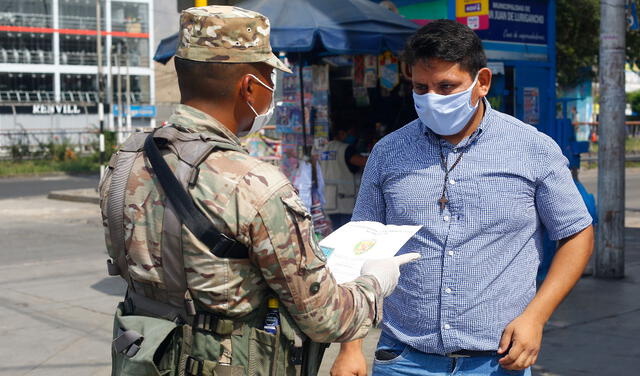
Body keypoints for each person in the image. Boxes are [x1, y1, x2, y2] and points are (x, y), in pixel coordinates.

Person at [99, 6, 419, 375]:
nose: (271, 89)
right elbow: (327, 318)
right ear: (249, 86)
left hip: (143, 358)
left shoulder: (125, 160)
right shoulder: (254, 184)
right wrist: (375, 283)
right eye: (270, 78)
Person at [331, 19, 594, 376]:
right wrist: (350, 347)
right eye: (421, 87)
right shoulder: (388, 153)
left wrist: (537, 316)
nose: (431, 99)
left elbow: (576, 233)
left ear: (481, 82)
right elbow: (361, 245)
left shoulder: (532, 149)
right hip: (403, 358)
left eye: (446, 86)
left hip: (497, 361)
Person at [320, 122, 368, 229]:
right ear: (342, 133)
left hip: (328, 201)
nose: (354, 137)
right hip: (345, 203)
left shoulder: (323, 149)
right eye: (351, 133)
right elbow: (361, 162)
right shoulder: (345, 149)